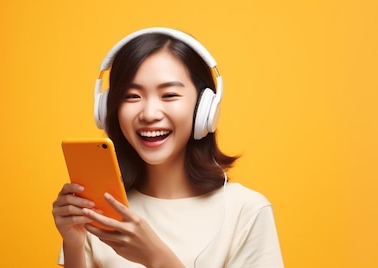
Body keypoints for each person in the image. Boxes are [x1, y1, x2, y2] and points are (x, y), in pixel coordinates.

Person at [52, 27, 284, 268]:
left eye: (169, 95)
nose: (149, 114)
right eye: (132, 96)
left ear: (205, 108)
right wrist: (74, 243)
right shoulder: (102, 207)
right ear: (108, 108)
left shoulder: (246, 211)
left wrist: (157, 257)